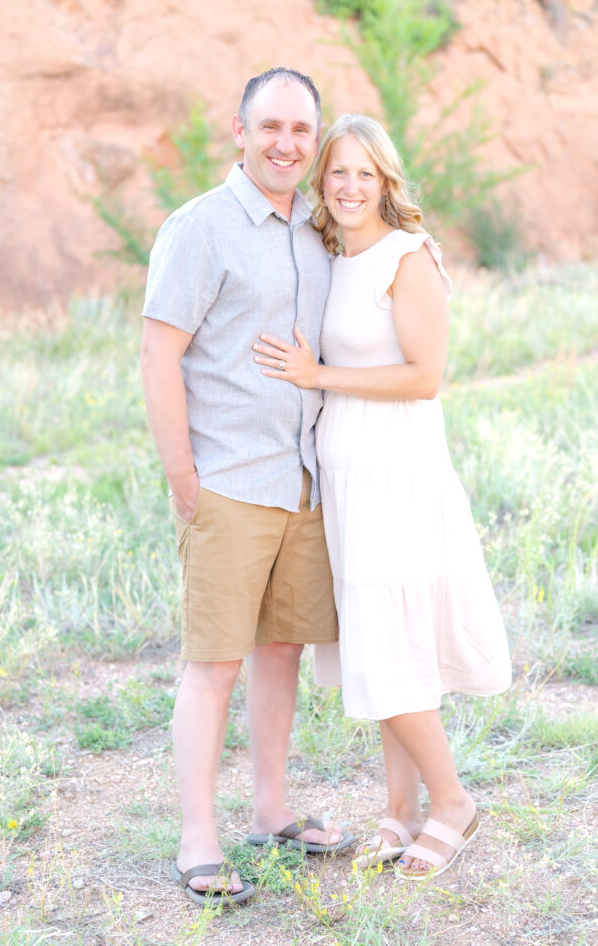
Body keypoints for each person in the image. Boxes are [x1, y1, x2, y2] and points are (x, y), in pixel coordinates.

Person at [253, 114, 512, 882]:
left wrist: (319, 377)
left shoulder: (408, 257)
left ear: (386, 181)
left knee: (386, 649)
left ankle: (453, 802)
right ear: (321, 186)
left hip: (398, 478)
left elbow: (423, 377)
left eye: (367, 172)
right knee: (384, 644)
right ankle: (398, 812)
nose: (351, 185)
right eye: (338, 172)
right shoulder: (336, 261)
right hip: (347, 483)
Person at [141, 69, 353, 909]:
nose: (286, 145)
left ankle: (272, 810)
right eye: (270, 127)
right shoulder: (200, 228)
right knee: (214, 664)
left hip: (302, 479)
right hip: (228, 479)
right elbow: (159, 354)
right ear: (239, 130)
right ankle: (198, 839)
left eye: (302, 130)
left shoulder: (319, 227)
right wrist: (182, 475)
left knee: (281, 652)